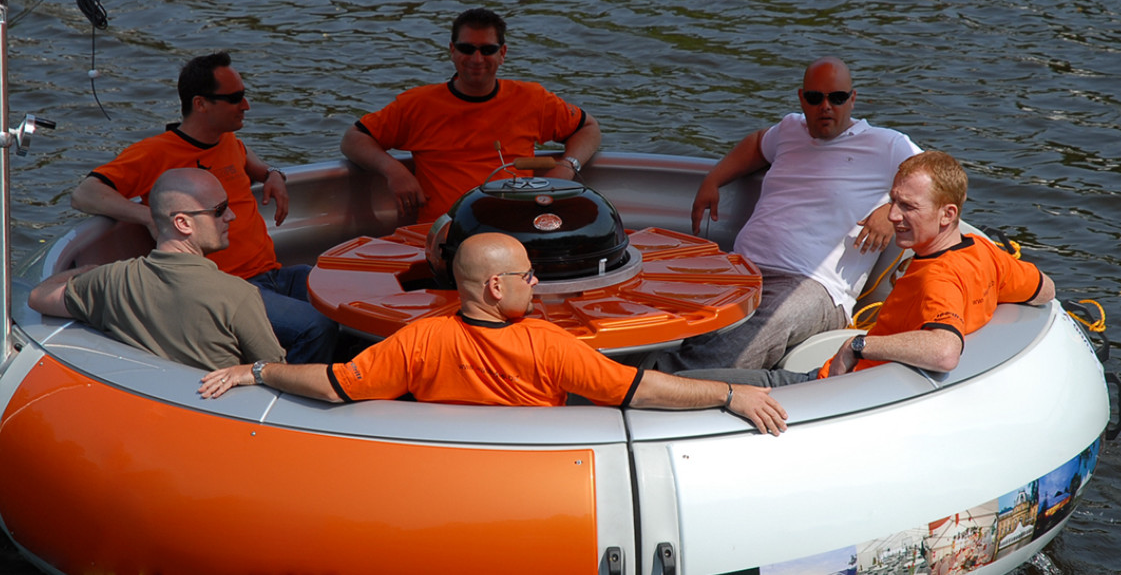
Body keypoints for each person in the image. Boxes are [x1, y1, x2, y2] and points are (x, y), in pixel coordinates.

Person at [199, 233, 790, 436]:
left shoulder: (419, 340)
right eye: (529, 275)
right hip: (545, 455)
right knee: (682, 375)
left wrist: (255, 371)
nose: (537, 283)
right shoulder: (549, 344)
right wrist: (728, 397)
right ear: (494, 288)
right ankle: (800, 381)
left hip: (465, 455)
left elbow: (333, 385)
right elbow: (643, 391)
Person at [680, 151, 1056, 387]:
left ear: (948, 215)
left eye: (908, 207)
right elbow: (1045, 290)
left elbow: (945, 350)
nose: (893, 216)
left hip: (832, 389)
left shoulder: (937, 277)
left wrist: (859, 345)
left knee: (686, 384)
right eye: (893, 201)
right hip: (861, 381)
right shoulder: (983, 252)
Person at [655, 56, 921, 373]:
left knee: (762, 326)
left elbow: (943, 178)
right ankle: (643, 368)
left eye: (836, 98)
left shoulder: (887, 144)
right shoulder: (789, 130)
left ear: (853, 99)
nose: (826, 106)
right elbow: (756, 144)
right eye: (815, 98)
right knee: (668, 300)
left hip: (815, 284)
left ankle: (666, 383)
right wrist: (713, 180)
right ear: (801, 98)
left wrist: (895, 211)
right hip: (743, 266)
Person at [70, 51, 338, 364]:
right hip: (230, 287)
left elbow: (249, 160)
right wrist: (148, 216)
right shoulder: (155, 153)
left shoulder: (227, 140)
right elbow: (85, 193)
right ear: (200, 104)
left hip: (274, 274)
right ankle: (290, 399)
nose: (246, 105)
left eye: (244, 95)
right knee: (316, 326)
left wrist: (272, 175)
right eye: (235, 98)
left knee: (344, 298)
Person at [341, 8, 602, 223]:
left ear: (503, 54)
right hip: (444, 232)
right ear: (452, 51)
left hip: (516, 227)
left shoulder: (532, 99)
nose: (477, 59)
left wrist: (568, 167)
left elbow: (588, 128)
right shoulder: (417, 104)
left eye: (487, 50)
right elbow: (353, 139)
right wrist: (394, 170)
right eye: (467, 49)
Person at [29, 168, 286, 371]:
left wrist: (86, 269)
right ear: (183, 223)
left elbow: (38, 296)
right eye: (219, 210)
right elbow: (276, 373)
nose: (231, 215)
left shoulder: (111, 281)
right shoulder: (239, 296)